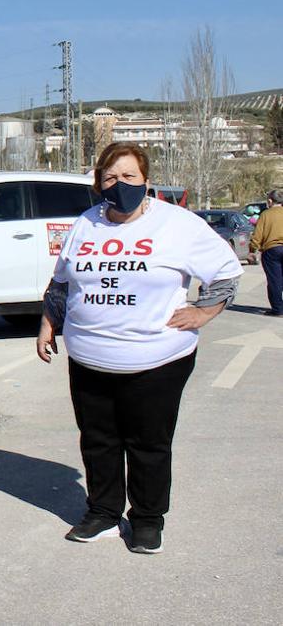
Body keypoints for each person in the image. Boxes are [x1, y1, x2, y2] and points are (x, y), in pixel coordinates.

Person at [38, 142, 242, 553]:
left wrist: (203, 313)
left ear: (146, 181)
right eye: (110, 178)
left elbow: (227, 272)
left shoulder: (177, 224)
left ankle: (147, 520)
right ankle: (103, 513)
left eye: (129, 177)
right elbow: (62, 281)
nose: (120, 185)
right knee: (98, 440)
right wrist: (48, 322)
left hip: (156, 359)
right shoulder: (86, 223)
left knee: (148, 443)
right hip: (89, 357)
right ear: (99, 184)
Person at [247, 188, 283, 316]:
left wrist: (252, 250)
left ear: (270, 201)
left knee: (275, 280)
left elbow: (257, 235)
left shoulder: (266, 215)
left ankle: (278, 309)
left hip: (272, 250)